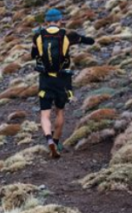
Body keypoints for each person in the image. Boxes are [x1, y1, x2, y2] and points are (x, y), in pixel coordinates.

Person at [30, 8, 95, 158]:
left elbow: (34, 55)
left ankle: (48, 139)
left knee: (45, 114)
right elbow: (90, 41)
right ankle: (57, 141)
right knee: (60, 111)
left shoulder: (38, 36)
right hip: (62, 79)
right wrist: (81, 39)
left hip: (45, 79)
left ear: (46, 21)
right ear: (60, 21)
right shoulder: (67, 35)